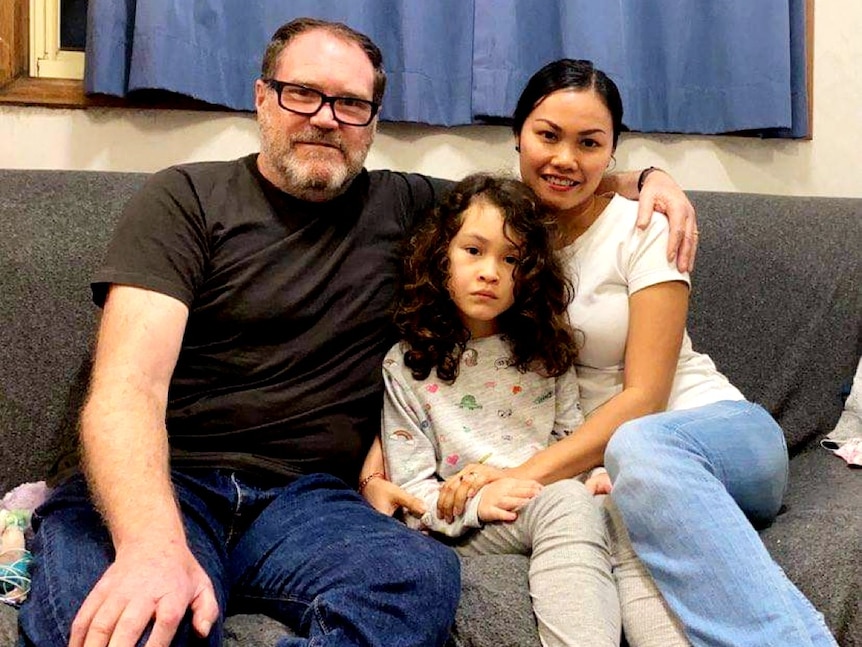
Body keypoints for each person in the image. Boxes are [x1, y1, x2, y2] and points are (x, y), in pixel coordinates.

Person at [18, 14, 697, 647]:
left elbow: (525, 201)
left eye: (350, 104)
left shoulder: (407, 208)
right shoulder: (185, 200)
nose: (324, 119)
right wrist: (151, 545)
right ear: (262, 98)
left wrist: (642, 176)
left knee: (417, 581)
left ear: (372, 122)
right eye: (301, 94)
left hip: (307, 500)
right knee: (122, 620)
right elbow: (125, 390)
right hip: (172, 477)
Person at [435, 59, 839, 647]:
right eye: (548, 136)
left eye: (590, 143)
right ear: (517, 135)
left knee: (638, 445)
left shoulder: (645, 226)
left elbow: (647, 399)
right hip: (617, 467)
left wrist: (518, 475)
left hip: (718, 434)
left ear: (612, 150)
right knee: (625, 479)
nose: (566, 159)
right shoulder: (502, 232)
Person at [381, 172, 622, 646]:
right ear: (440, 257)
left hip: (546, 499)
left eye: (511, 258)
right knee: (568, 504)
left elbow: (570, 445)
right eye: (473, 251)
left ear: (529, 274)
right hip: (466, 526)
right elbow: (410, 495)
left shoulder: (547, 353)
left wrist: (592, 477)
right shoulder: (407, 365)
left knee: (625, 508)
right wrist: (476, 504)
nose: (490, 271)